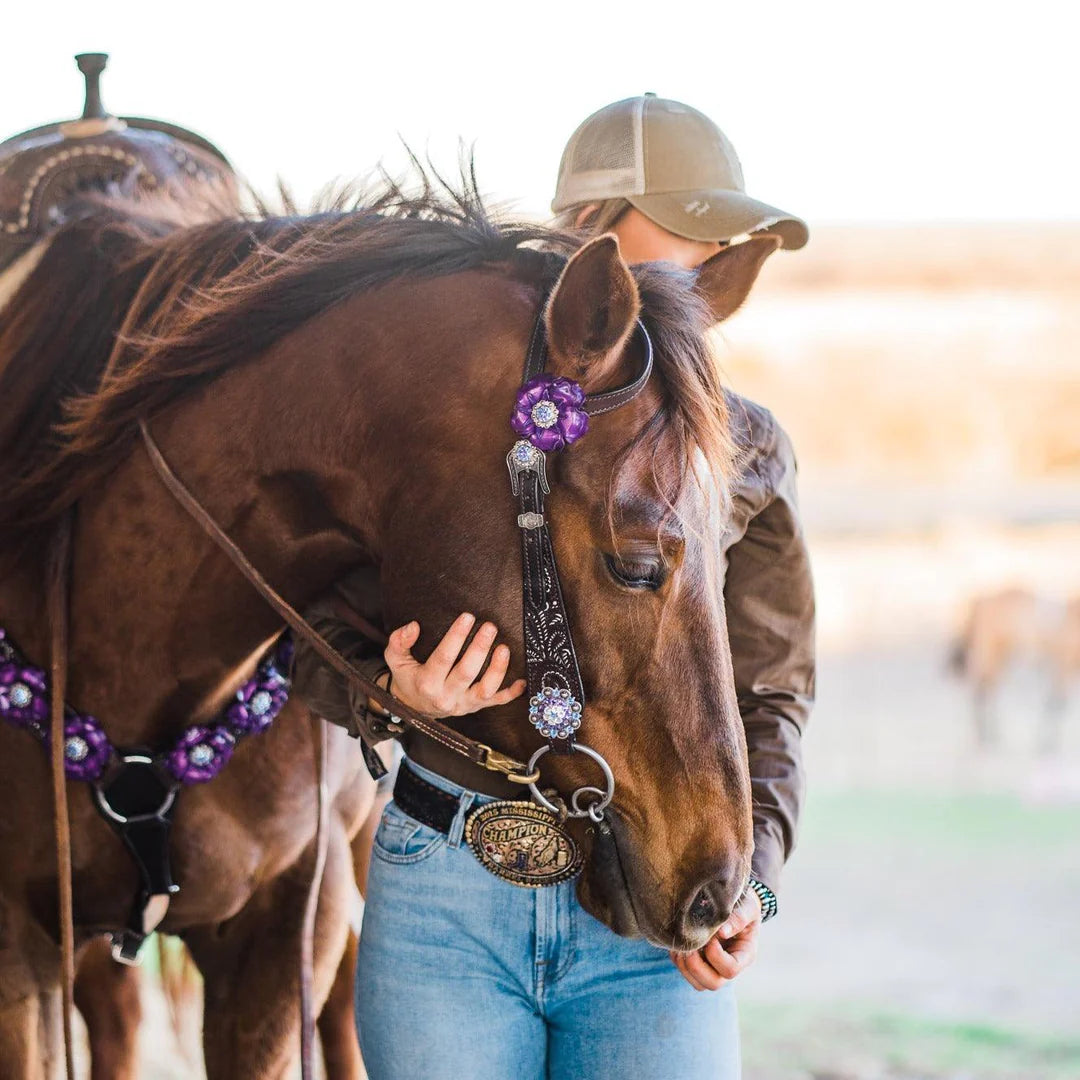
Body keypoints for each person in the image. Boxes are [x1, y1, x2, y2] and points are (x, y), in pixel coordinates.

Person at [293, 94, 815, 1079]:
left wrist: (757, 882)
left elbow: (773, 691)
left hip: (648, 911)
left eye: (725, 235)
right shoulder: (444, 428)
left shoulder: (744, 446)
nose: (717, 252)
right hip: (445, 893)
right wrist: (389, 694)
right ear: (589, 232)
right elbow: (306, 623)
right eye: (688, 223)